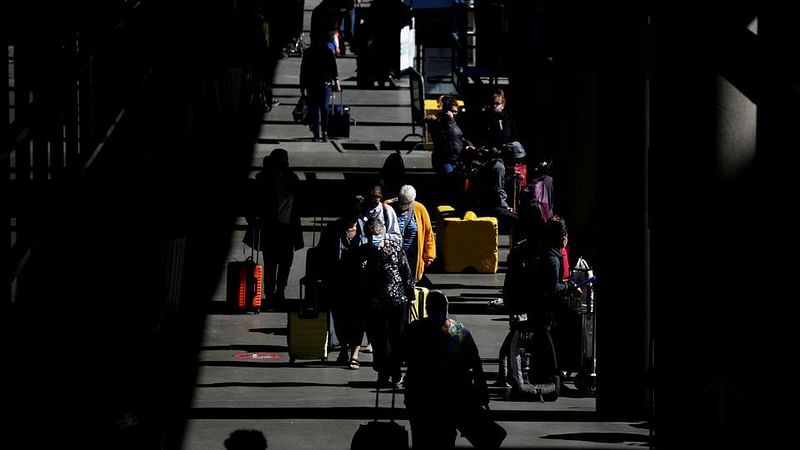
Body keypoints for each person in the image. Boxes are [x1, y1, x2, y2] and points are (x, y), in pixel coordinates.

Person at [399, 290, 490, 449]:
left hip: (419, 395)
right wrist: (482, 390)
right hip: (451, 396)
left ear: (427, 308)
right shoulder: (459, 331)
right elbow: (475, 363)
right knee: (446, 438)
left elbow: (397, 355)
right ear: (446, 308)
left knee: (421, 437)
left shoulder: (414, 329)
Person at [507, 216, 580, 400]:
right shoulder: (553, 259)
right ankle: (553, 385)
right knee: (550, 350)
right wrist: (570, 285)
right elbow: (551, 288)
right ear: (562, 237)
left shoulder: (542, 253)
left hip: (535, 309)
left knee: (544, 348)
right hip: (543, 311)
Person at [357, 218, 415, 387]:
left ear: (382, 233)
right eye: (371, 235)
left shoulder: (395, 249)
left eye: (376, 234)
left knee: (396, 338)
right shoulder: (364, 252)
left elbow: (406, 273)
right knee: (378, 339)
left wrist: (410, 296)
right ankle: (383, 372)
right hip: (374, 303)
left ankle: (396, 373)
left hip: (396, 301)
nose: (374, 237)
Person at [317, 197, 366, 370]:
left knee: (359, 319)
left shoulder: (365, 228)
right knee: (340, 318)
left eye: (353, 221)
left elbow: (374, 251)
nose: (351, 224)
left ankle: (355, 354)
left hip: (361, 283)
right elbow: (321, 253)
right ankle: (344, 349)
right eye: (348, 220)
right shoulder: (332, 230)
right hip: (337, 282)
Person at [251, 148, 303, 303]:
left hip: (283, 227)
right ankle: (272, 292)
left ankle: (278, 290)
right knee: (274, 263)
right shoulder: (265, 180)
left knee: (282, 262)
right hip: (274, 227)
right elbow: (255, 202)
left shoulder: (290, 179)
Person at [430, 96, 474, 210]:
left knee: (456, 184)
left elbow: (460, 137)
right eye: (452, 111)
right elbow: (447, 136)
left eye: (456, 112)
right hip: (444, 158)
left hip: (456, 158)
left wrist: (468, 145)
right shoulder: (440, 122)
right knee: (447, 182)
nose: (454, 114)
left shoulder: (455, 123)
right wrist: (449, 121)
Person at [385, 184, 436, 283]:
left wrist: (429, 255)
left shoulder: (420, 209)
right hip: (391, 255)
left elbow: (428, 233)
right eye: (400, 202)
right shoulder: (387, 206)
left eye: (406, 203)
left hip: (411, 257)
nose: (402, 206)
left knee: (409, 283)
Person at [299, 24, 341, 142]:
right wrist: (336, 81)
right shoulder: (327, 52)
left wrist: (302, 86)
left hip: (313, 83)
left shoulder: (309, 52)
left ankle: (318, 132)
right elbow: (334, 68)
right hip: (324, 83)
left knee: (316, 108)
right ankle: (323, 132)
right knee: (324, 108)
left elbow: (303, 70)